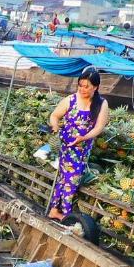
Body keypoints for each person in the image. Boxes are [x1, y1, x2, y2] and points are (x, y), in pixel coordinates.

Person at [47, 66, 110, 221]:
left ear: (96, 87)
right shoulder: (71, 99)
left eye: (86, 86)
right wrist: (55, 127)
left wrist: (84, 137)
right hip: (67, 146)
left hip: (83, 147)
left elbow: (99, 127)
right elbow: (54, 115)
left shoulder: (102, 104)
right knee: (71, 179)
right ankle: (66, 214)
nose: (82, 89)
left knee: (66, 179)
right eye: (80, 85)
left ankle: (54, 210)